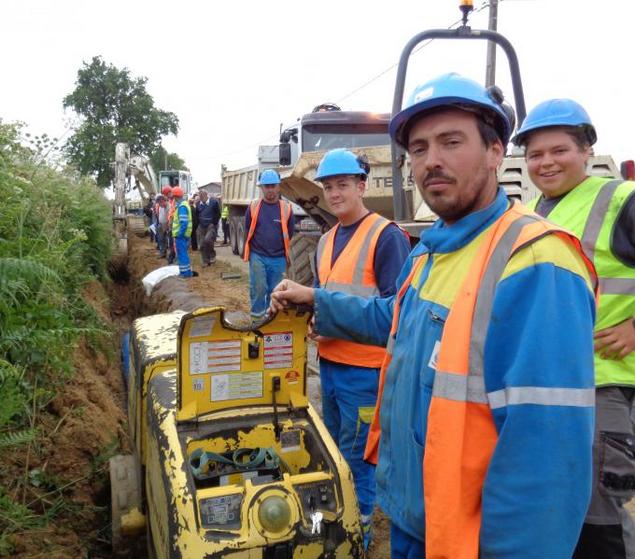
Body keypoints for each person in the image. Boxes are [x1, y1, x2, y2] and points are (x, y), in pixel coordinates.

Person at [270, 73, 598, 558]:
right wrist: (318, 300)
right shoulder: (432, 252)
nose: (432, 161)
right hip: (417, 518)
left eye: (451, 142)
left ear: (494, 151)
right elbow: (395, 323)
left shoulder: (535, 264)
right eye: (419, 149)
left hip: (466, 537)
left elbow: (546, 466)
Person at [513, 99, 635, 559]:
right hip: (552, 387)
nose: (546, 163)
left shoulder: (620, 200)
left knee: (604, 521)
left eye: (559, 150)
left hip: (604, 388)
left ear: (586, 150)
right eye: (536, 154)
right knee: (563, 512)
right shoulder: (535, 211)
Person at [311, 147, 410, 548]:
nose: (335, 194)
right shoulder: (325, 240)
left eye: (343, 185)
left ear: (362, 186)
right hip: (329, 367)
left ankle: (359, 535)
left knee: (357, 462)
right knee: (331, 454)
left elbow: (396, 313)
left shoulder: (386, 237)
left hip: (364, 374)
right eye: (329, 187)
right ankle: (333, 524)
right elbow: (327, 296)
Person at [243, 169, 295, 320]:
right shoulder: (253, 207)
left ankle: (272, 320)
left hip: (278, 257)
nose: (270, 189)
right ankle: (257, 320)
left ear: (279, 187)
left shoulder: (286, 208)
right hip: (258, 255)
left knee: (276, 291)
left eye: (273, 186)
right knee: (259, 288)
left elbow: (289, 232)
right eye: (267, 186)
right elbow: (248, 230)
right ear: (261, 188)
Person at [171, 185, 193, 278]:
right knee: (184, 253)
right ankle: (187, 271)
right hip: (184, 235)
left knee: (182, 254)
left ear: (176, 196)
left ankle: (185, 273)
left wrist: (179, 234)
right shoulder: (184, 204)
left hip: (181, 235)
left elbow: (184, 222)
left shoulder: (182, 207)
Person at [196, 189, 221, 267]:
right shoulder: (198, 204)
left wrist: (214, 223)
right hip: (201, 225)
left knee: (208, 240)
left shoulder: (214, 202)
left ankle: (212, 255)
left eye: (202, 196)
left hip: (210, 225)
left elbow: (218, 214)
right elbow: (197, 215)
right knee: (202, 244)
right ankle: (205, 261)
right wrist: (197, 225)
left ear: (206, 195)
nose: (201, 198)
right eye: (200, 196)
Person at [157, 186, 172, 258]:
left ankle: (169, 255)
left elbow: (169, 218)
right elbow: (159, 215)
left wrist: (167, 226)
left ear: (163, 201)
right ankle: (162, 253)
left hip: (167, 225)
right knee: (161, 239)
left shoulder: (169, 206)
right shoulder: (160, 206)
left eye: (159, 203)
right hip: (161, 224)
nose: (159, 205)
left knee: (168, 241)